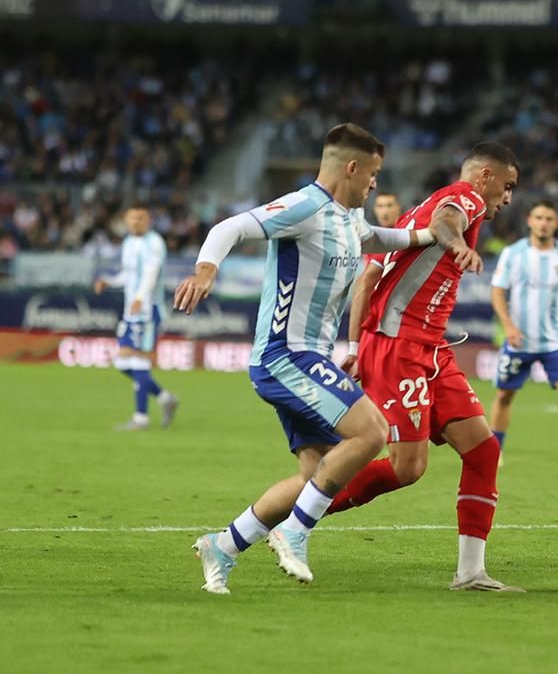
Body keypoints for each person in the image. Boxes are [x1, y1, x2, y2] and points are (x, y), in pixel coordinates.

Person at [178, 123, 440, 595]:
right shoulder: (304, 206)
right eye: (374, 174)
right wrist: (205, 269)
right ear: (352, 168)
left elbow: (381, 238)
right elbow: (230, 227)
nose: (375, 184)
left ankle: (224, 544)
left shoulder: (348, 218)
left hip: (310, 358)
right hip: (285, 355)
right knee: (374, 431)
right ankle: (295, 531)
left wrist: (428, 236)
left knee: (316, 475)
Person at [325, 143, 523, 592]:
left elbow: (369, 279)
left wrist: (356, 343)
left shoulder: (411, 213)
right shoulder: (464, 198)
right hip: (401, 348)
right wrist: (458, 247)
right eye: (507, 187)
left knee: (483, 450)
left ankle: (471, 572)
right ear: (486, 176)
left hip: (427, 348)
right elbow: (446, 223)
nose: (507, 199)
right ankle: (296, 515)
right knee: (406, 467)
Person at [488, 199, 558, 471]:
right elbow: (497, 291)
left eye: (549, 218)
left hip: (555, 339)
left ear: (556, 223)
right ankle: (494, 451)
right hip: (519, 338)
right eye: (539, 217)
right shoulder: (513, 254)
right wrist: (509, 326)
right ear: (530, 220)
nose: (543, 223)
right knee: (505, 395)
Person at [93, 204, 179, 431]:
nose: (135, 222)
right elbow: (128, 275)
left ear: (148, 219)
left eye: (140, 218)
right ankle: (164, 398)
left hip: (148, 311)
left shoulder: (155, 243)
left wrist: (140, 296)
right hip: (131, 312)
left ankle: (141, 418)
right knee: (122, 362)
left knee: (140, 361)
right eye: (131, 218)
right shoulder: (129, 243)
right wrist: (109, 281)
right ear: (126, 219)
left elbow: (151, 274)